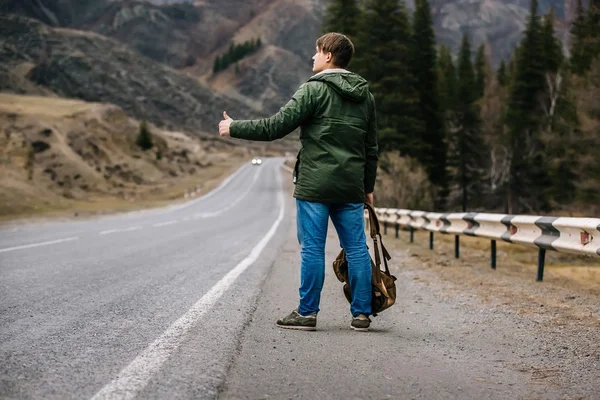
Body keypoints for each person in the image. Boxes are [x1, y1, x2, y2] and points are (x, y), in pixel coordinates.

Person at [218, 32, 378, 332]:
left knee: (313, 248)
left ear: (329, 55)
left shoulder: (313, 90)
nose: (313, 57)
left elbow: (275, 126)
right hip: (350, 186)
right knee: (357, 248)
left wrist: (234, 127)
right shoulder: (365, 96)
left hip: (315, 185)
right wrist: (367, 187)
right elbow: (371, 148)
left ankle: (307, 314)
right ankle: (361, 314)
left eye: (317, 51)